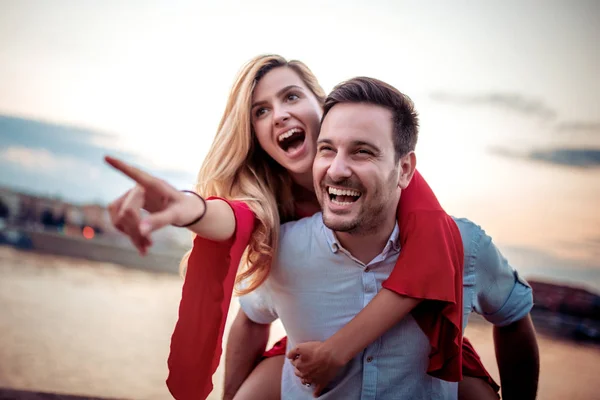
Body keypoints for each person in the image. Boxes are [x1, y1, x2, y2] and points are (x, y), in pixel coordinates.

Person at [104, 55, 499, 400]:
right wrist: (188, 207)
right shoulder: (269, 200)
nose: (279, 115)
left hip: (418, 334)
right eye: (260, 111)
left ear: (321, 105)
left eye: (291, 97)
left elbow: (427, 266)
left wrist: (337, 351)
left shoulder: (390, 181)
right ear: (255, 134)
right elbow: (231, 219)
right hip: (308, 342)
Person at [235, 77, 540, 399]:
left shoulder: (464, 245)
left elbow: (513, 319)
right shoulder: (281, 245)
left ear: (405, 169)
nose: (337, 169)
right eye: (327, 150)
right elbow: (251, 318)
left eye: (362, 152)